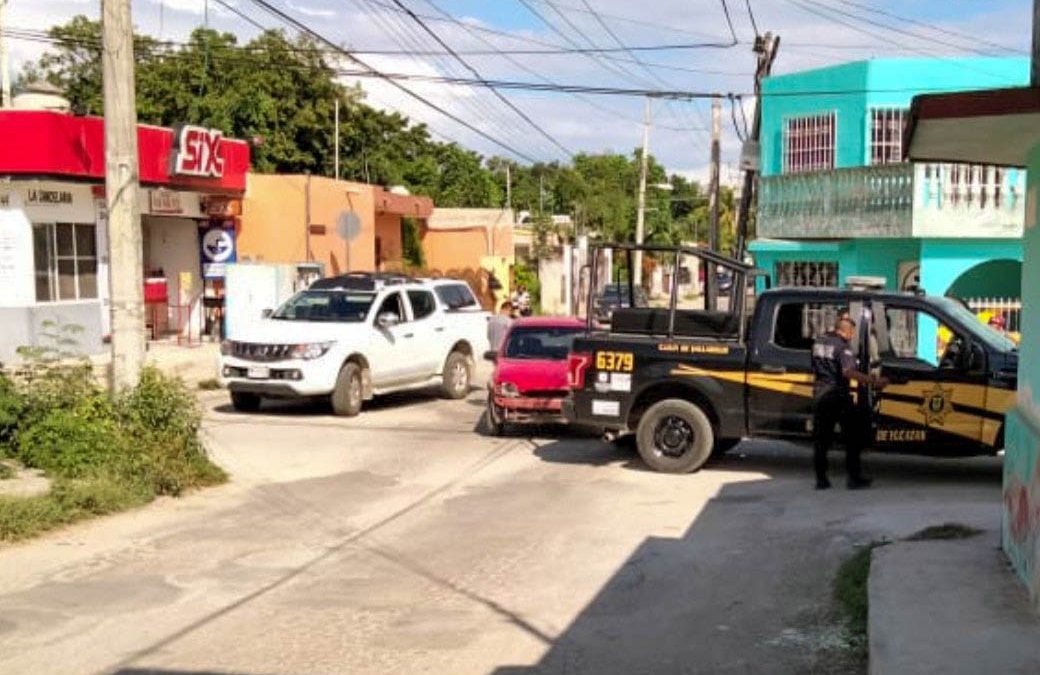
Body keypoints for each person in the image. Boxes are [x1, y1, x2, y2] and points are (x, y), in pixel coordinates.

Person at [811, 316, 887, 490]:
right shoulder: (842, 347)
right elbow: (848, 372)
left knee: (821, 440)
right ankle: (854, 478)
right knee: (853, 437)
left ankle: (821, 480)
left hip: (819, 393)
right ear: (846, 331)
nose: (852, 336)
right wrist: (872, 381)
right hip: (837, 395)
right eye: (851, 332)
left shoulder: (819, 342)